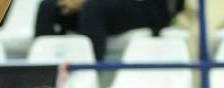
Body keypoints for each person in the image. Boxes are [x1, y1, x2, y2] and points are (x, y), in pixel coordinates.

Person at [34, 0, 176, 60]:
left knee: (92, 8)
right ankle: (42, 70)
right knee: (48, 6)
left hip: (144, 8)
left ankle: (88, 72)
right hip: (100, 7)